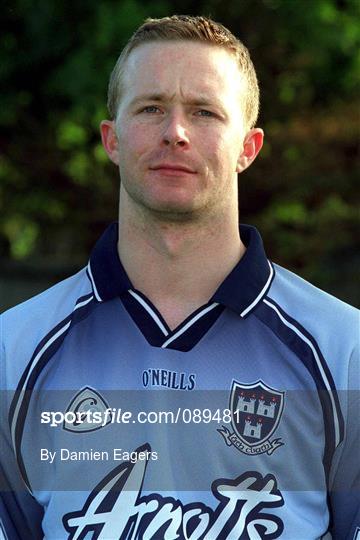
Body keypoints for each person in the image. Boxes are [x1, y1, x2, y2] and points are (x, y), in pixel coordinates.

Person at [0, 14, 358, 540]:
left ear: (248, 148)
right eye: (150, 108)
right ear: (112, 139)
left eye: (205, 112)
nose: (175, 133)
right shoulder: (14, 349)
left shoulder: (345, 350)